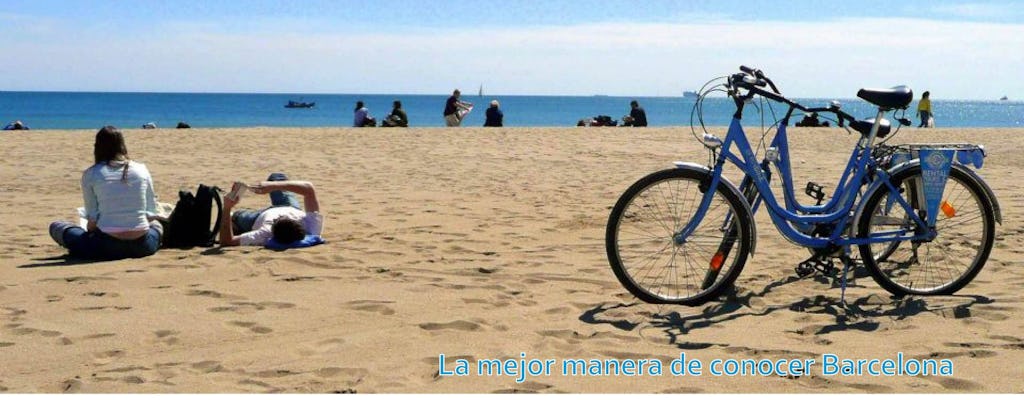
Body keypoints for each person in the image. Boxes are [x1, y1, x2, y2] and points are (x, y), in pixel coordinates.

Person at [48, 126, 162, 260]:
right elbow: (150, 214)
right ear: (122, 145)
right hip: (143, 246)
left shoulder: (91, 173)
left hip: (106, 247)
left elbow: (92, 221)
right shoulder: (141, 169)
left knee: (56, 227)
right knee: (157, 225)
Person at [219, 173, 323, 247]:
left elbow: (227, 241)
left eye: (276, 219)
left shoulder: (264, 234)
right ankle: (275, 183)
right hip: (289, 206)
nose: (279, 216)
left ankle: (235, 217)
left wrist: (227, 207)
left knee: (235, 217)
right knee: (277, 177)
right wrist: (272, 186)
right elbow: (309, 189)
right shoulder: (312, 227)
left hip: (259, 217)